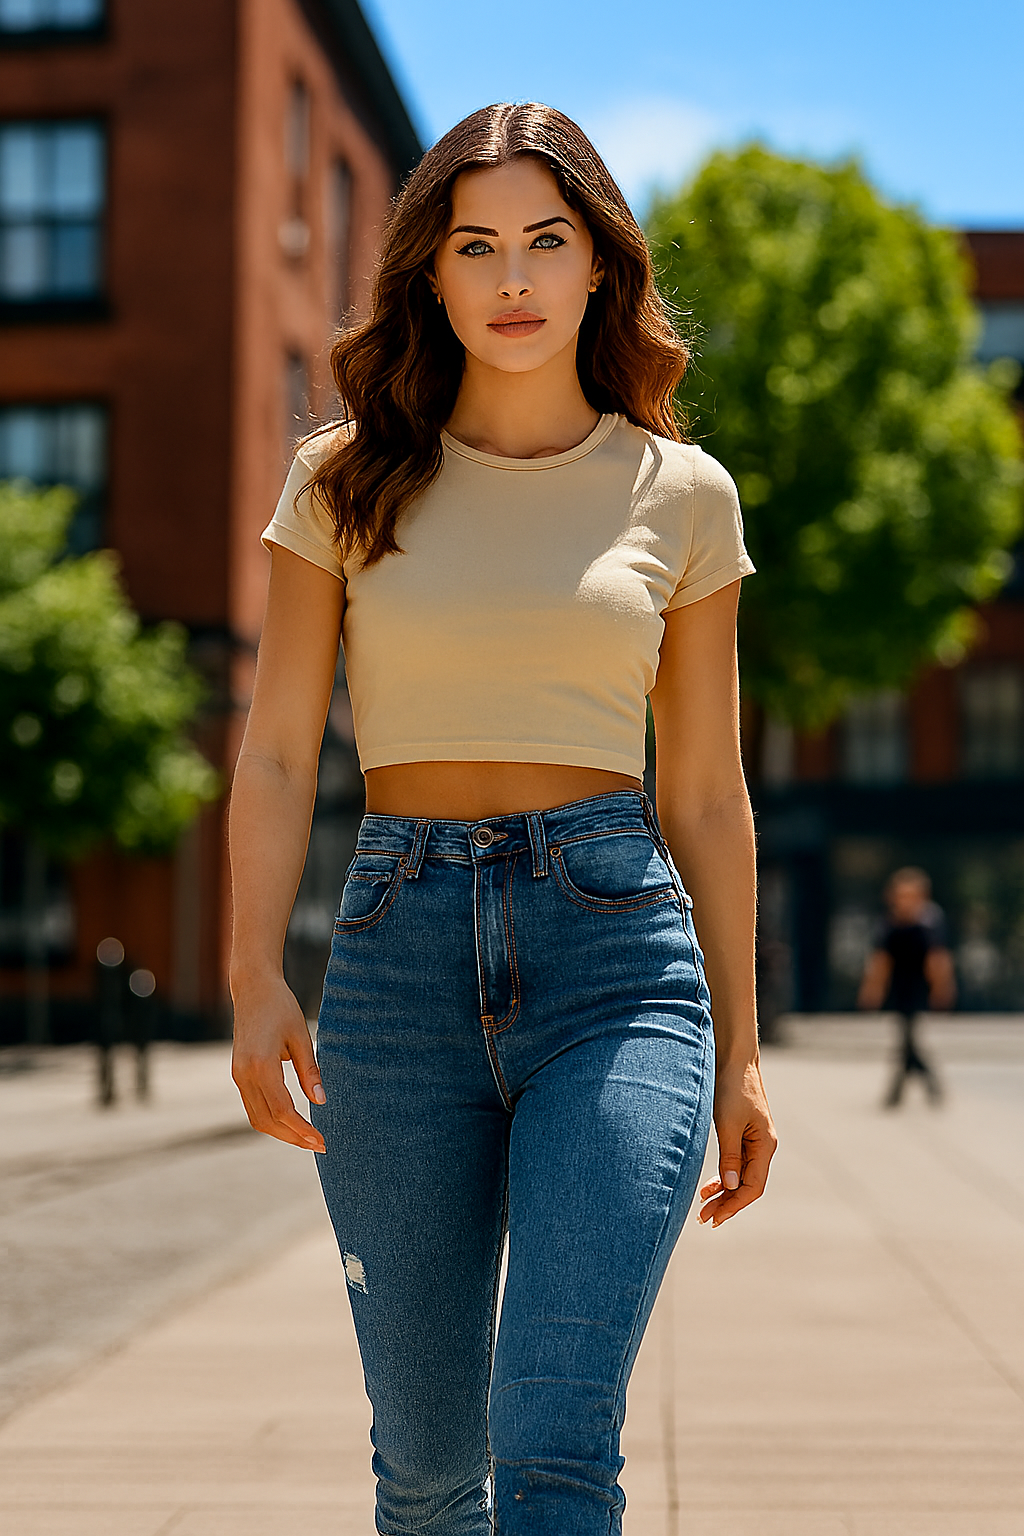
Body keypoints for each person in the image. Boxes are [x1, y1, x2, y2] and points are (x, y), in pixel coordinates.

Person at [228, 101, 777, 1536]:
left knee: (551, 1445)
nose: (515, 279)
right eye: (478, 246)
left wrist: (745, 1049)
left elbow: (708, 793)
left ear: (602, 266)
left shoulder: (682, 495)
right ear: (433, 272)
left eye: (549, 240)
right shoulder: (342, 479)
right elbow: (282, 752)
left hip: (619, 972)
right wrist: (247, 976)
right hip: (394, 967)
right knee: (424, 1474)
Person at [857, 866, 957, 1107]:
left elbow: (938, 959)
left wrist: (942, 988)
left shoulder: (929, 923)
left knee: (907, 1039)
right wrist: (872, 989)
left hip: (917, 987)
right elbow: (881, 961)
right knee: (907, 1039)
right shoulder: (889, 925)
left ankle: (899, 1092)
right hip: (899, 987)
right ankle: (925, 1086)